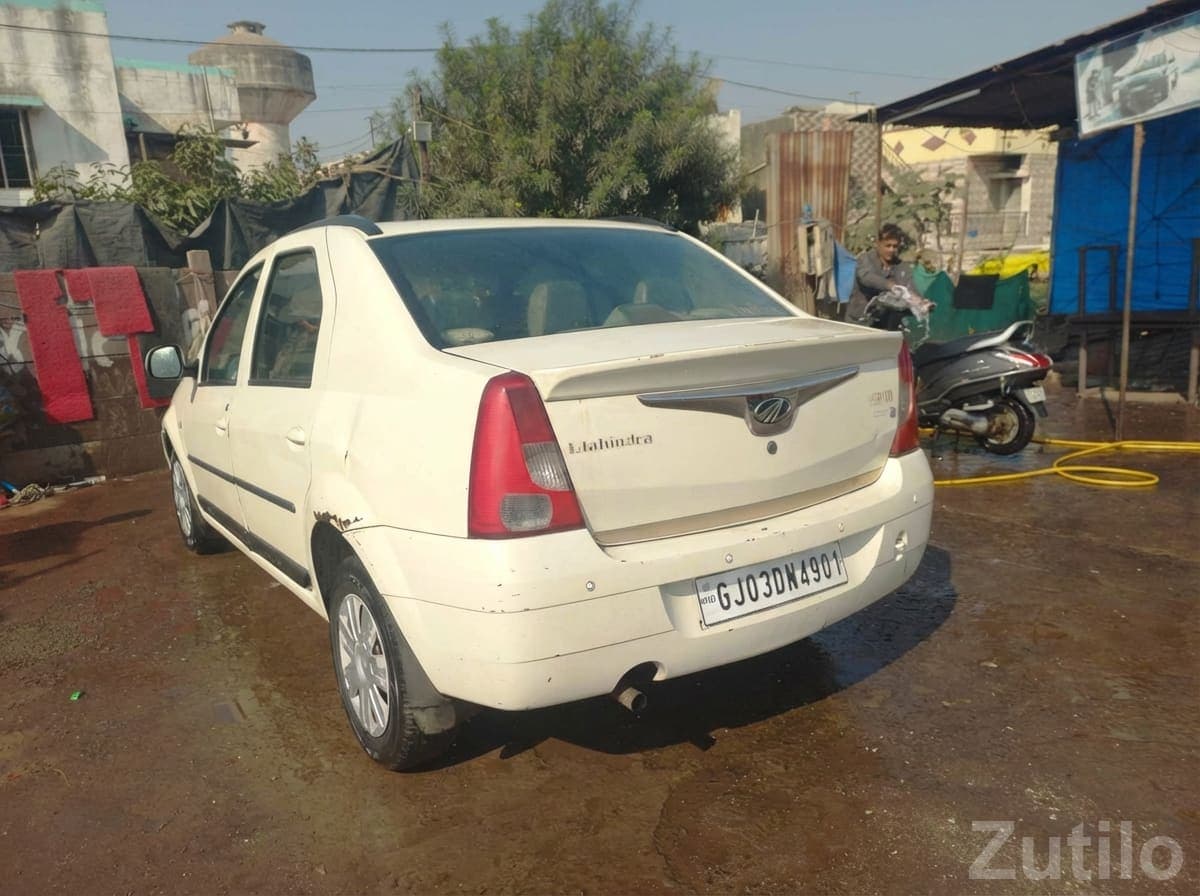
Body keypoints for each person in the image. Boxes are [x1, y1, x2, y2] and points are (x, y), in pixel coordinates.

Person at [847, 223, 923, 326]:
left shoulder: (901, 266)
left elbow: (909, 287)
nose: (891, 250)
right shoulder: (865, 259)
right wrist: (890, 286)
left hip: (887, 324)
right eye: (888, 246)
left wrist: (919, 302)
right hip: (860, 321)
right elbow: (866, 277)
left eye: (895, 246)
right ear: (878, 243)